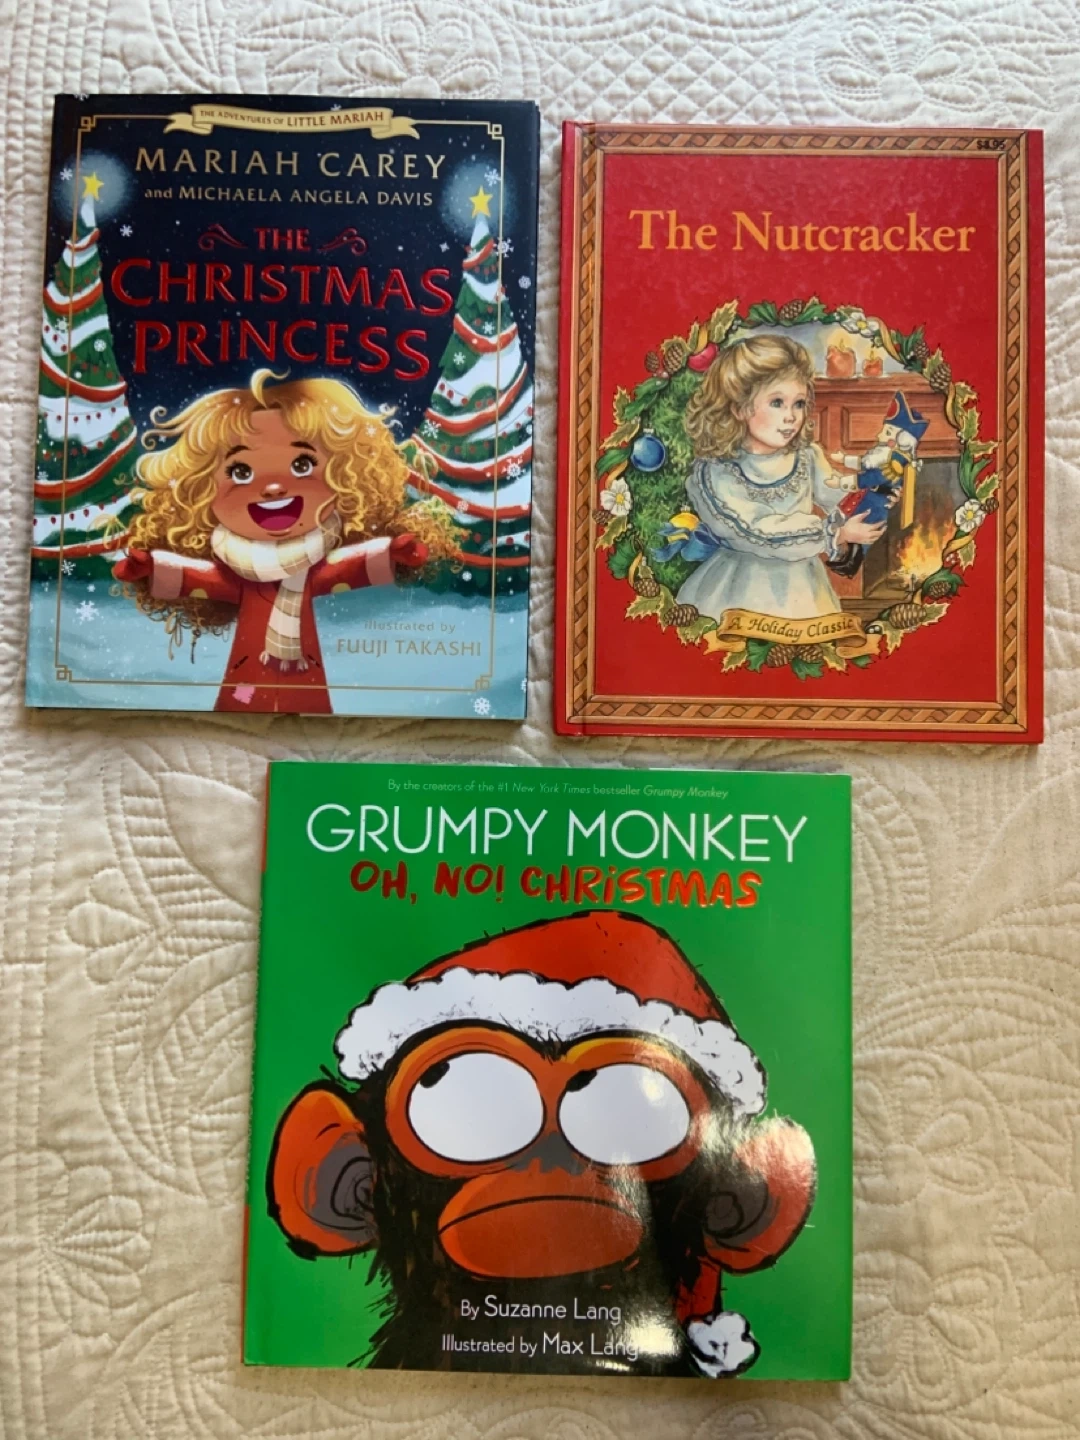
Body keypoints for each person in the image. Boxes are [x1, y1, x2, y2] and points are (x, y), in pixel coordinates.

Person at [113, 369, 456, 713]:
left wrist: (394, 553)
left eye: (302, 464)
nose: (274, 487)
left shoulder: (315, 562)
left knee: (307, 710)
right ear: (203, 490)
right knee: (241, 705)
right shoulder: (237, 570)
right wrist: (150, 568)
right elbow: (199, 578)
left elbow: (348, 568)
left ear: (343, 475)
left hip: (305, 687)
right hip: (245, 685)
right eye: (241, 472)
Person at [659, 336, 884, 622]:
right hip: (738, 589)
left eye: (799, 404)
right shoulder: (717, 470)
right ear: (739, 407)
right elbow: (754, 530)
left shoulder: (807, 456)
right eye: (777, 402)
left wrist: (874, 492)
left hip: (804, 587)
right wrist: (835, 534)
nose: (791, 416)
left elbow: (836, 496)